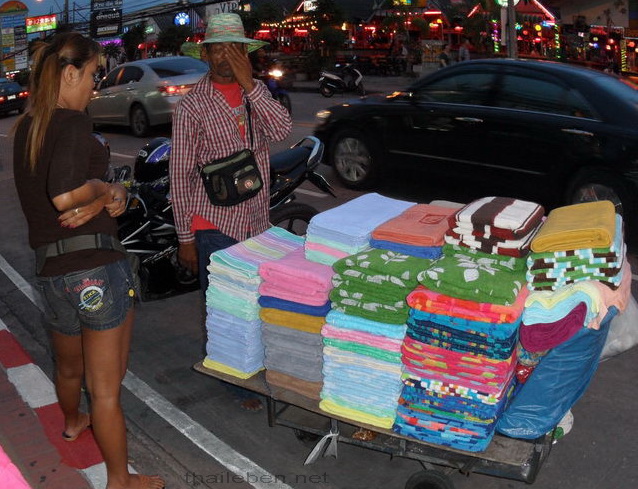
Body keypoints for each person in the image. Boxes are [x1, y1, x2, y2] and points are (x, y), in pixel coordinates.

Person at [12, 32, 164, 489]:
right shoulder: (73, 123)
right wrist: (107, 190)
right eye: (95, 74)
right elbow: (64, 195)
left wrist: (100, 199)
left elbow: (54, 196)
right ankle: (120, 480)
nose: (96, 85)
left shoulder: (27, 127)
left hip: (51, 272)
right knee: (107, 387)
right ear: (70, 72)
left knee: (70, 369)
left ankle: (72, 422)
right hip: (95, 267)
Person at [170, 13, 292, 411]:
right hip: (215, 223)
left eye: (233, 48)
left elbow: (281, 131)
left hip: (257, 218)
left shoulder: (255, 94)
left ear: (245, 53)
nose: (225, 56)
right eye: (218, 48)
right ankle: (235, 381)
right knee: (225, 308)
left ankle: (255, 364)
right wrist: (186, 238)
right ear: (205, 55)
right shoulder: (192, 106)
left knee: (257, 301)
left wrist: (252, 85)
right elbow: (181, 175)